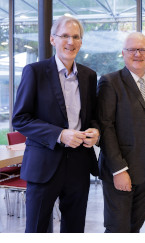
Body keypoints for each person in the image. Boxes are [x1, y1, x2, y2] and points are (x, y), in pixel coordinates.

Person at [12, 16, 100, 233]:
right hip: (43, 165)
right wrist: (60, 134)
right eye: (65, 36)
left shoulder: (89, 76)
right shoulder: (35, 71)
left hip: (79, 165)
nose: (71, 41)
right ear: (53, 39)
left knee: (74, 229)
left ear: (81, 42)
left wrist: (96, 131)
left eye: (76, 37)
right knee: (37, 230)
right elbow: (20, 119)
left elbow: (93, 116)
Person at [97, 32, 145, 233]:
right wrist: (119, 170)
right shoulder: (110, 82)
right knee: (118, 229)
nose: (137, 54)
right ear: (123, 53)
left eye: (142, 49)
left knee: (134, 227)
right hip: (122, 171)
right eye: (132, 49)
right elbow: (106, 127)